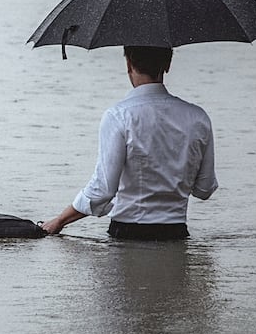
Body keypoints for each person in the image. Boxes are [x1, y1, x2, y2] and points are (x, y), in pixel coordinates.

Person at [40, 46, 218, 240]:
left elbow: (102, 191)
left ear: (128, 63)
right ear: (167, 65)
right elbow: (204, 189)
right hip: (176, 234)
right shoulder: (198, 117)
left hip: (129, 232)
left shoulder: (119, 116)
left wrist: (59, 221)